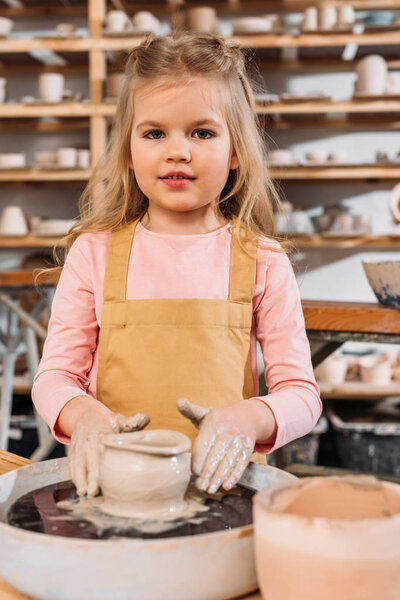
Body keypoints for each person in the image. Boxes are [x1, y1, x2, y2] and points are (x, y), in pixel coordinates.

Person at [32, 32, 321, 498]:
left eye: (202, 132)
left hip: (224, 495)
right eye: (154, 133)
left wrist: (247, 419)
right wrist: (83, 416)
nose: (177, 151)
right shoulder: (94, 252)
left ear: (236, 152)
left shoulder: (263, 260)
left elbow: (303, 396)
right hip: (117, 492)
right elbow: (54, 377)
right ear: (128, 149)